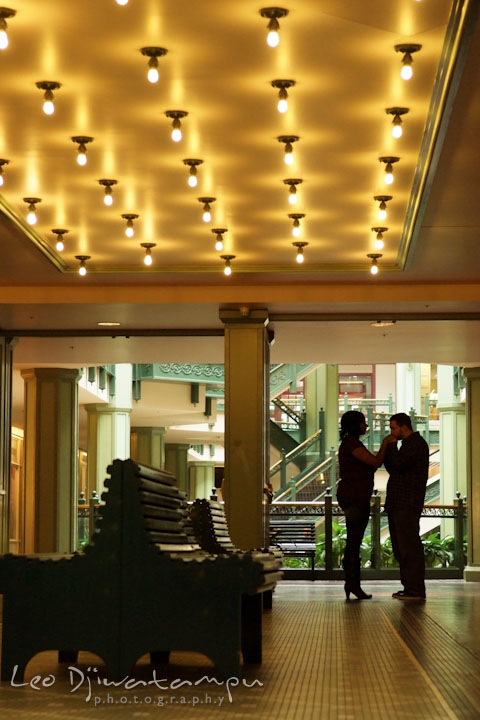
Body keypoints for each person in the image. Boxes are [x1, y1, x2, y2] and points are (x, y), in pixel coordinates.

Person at [338, 410, 391, 600]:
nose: (365, 425)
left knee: (354, 540)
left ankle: (352, 583)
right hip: (355, 496)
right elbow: (375, 462)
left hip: (354, 495)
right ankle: (353, 583)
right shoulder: (352, 445)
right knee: (354, 540)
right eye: (362, 422)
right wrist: (386, 443)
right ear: (355, 425)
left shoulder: (350, 444)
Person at [384, 412, 429, 600]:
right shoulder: (407, 446)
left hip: (407, 503)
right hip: (399, 503)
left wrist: (391, 445)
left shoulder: (416, 445)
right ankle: (409, 586)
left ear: (404, 426)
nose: (392, 432)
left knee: (408, 546)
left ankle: (415, 588)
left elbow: (398, 465)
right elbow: (393, 466)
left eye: (394, 428)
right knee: (401, 546)